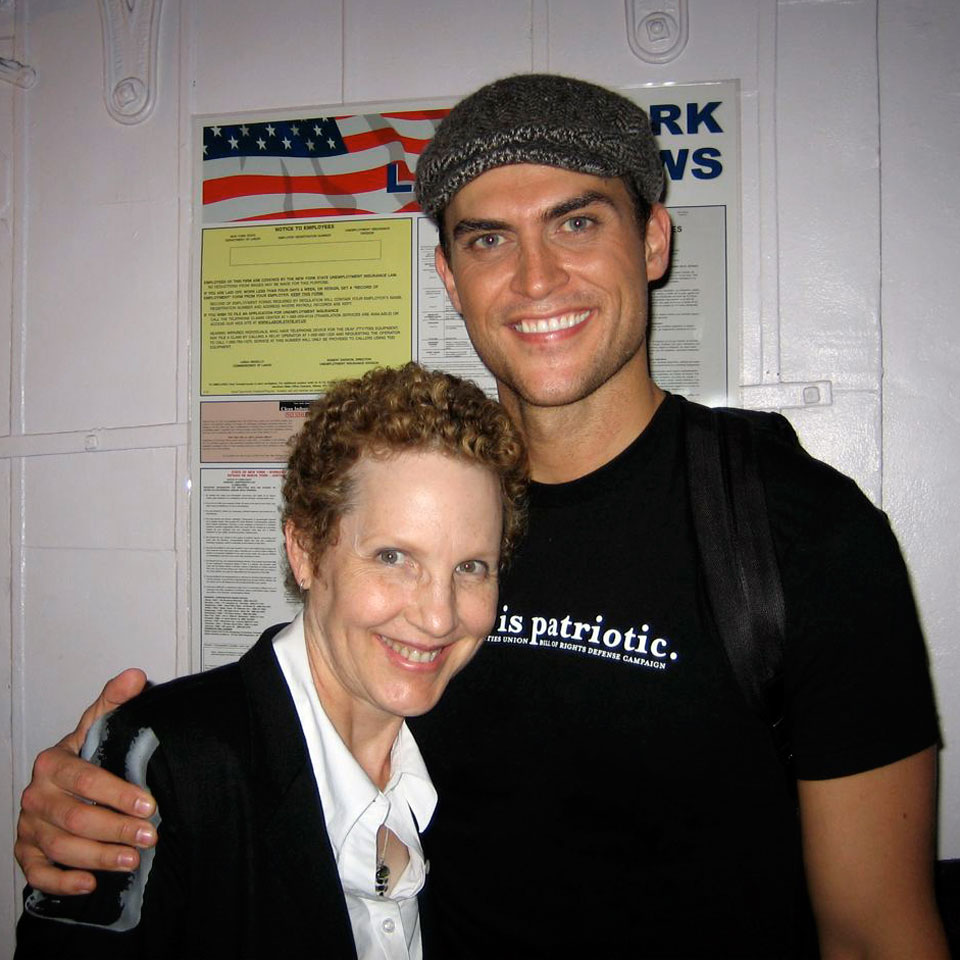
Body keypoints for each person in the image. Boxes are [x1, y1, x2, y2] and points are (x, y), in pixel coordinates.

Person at [16, 74, 948, 959]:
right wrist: (116, 794)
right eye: (489, 240)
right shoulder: (431, 515)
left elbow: (878, 934)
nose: (536, 279)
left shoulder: (798, 531)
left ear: (654, 240)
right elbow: (293, 728)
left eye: (577, 222)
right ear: (451, 278)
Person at [15, 362, 527, 958]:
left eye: (471, 567)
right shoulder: (162, 766)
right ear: (305, 551)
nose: (439, 617)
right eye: (392, 557)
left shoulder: (467, 747)